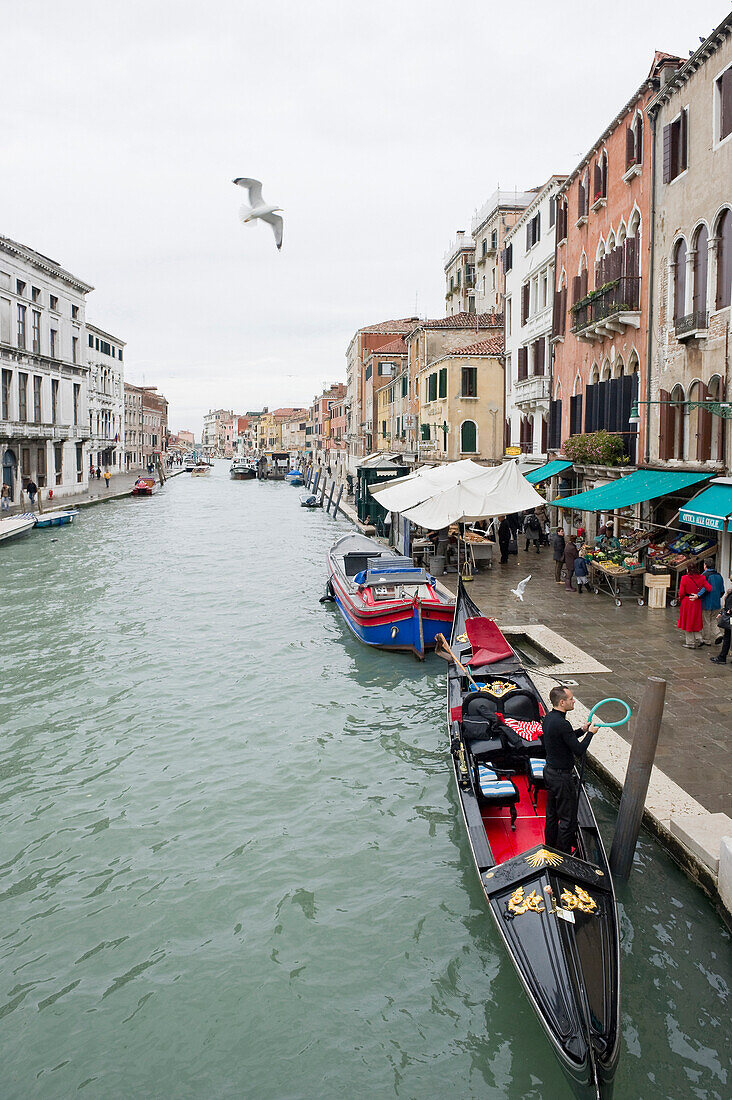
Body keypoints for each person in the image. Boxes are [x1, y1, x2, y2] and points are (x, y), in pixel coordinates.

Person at [542, 686, 598, 853]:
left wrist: (582, 730)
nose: (574, 701)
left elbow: (565, 738)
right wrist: (591, 734)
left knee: (551, 816)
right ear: (562, 702)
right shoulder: (562, 723)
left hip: (549, 772)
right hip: (561, 778)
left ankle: (550, 847)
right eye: (571, 699)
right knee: (568, 820)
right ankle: (564, 854)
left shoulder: (549, 718)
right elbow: (579, 750)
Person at [676, 563, 712, 648]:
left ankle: (690, 642)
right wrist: (698, 594)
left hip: (687, 601)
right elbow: (709, 588)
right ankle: (699, 638)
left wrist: (681, 599)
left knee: (687, 621)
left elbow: (681, 592)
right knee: (695, 620)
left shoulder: (684, 578)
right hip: (697, 601)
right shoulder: (702, 578)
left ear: (688, 570)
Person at [700, 560, 725, 645]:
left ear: (705, 565)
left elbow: (703, 589)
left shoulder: (704, 575)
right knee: (713, 619)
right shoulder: (719, 576)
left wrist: (698, 597)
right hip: (716, 602)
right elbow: (722, 590)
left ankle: (706, 639)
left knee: (706, 621)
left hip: (706, 603)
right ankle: (718, 634)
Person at [710, 578, 732, 666]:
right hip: (729, 616)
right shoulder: (730, 592)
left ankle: (722, 657)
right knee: (727, 637)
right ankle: (722, 656)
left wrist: (728, 611)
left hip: (730, 618)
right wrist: (722, 612)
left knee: (727, 637)